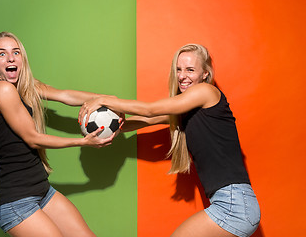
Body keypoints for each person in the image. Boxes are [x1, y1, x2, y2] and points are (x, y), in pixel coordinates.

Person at [79, 44, 261, 237]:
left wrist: (104, 100)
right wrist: (113, 127)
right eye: (178, 69)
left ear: (205, 74)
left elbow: (150, 109)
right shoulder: (189, 111)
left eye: (190, 70)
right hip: (233, 203)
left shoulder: (207, 92)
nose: (182, 76)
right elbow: (148, 119)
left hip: (233, 206)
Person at [0, 31, 116, 237]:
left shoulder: (25, 86)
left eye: (15, 52)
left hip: (42, 192)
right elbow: (32, 138)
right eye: (2, 54)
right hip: (17, 203)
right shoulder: (2, 90)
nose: (10, 58)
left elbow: (64, 95)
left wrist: (104, 98)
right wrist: (83, 141)